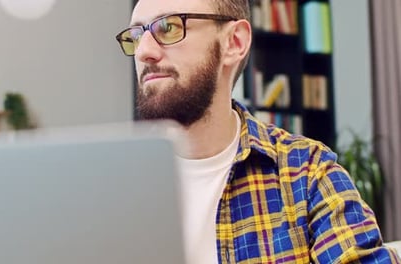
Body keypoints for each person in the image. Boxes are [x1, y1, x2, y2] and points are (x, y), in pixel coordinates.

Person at [115, 0, 401, 263]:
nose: (144, 51)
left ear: (234, 42)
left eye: (169, 27)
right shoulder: (114, 186)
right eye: (137, 35)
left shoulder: (308, 174)